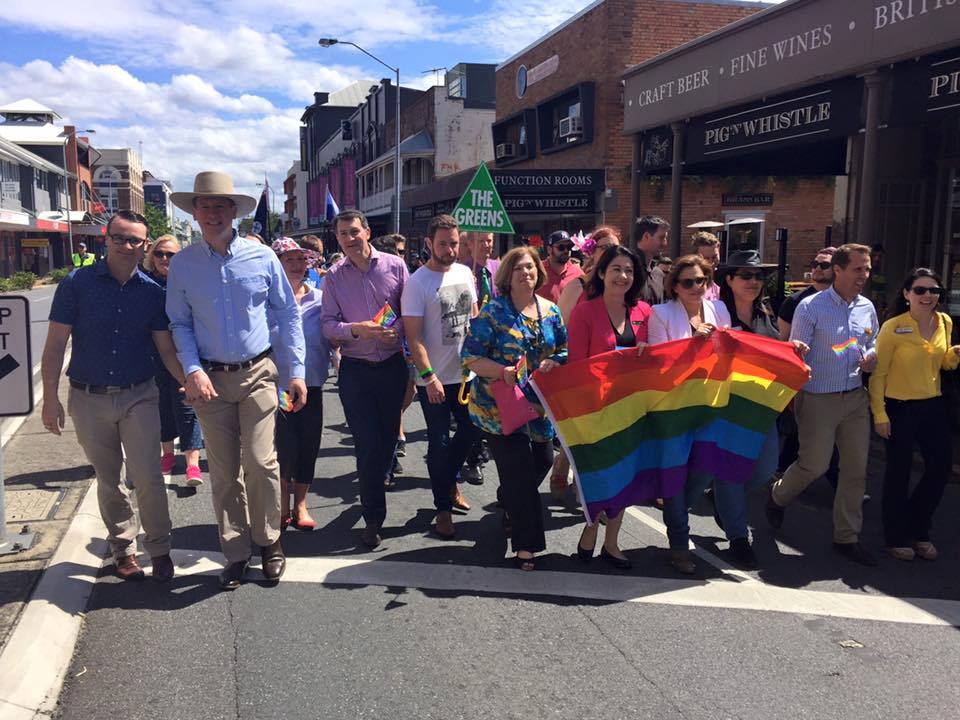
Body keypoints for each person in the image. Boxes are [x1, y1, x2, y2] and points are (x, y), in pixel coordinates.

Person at [167, 171, 306, 590]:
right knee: (225, 471)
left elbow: (288, 313)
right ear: (195, 212)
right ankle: (234, 550)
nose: (212, 213)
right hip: (209, 378)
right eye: (205, 206)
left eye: (220, 206)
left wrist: (296, 371)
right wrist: (192, 370)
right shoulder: (183, 264)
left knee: (262, 462)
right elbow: (179, 323)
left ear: (234, 212)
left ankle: (269, 542)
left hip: (259, 373)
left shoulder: (262, 258)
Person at [41, 210, 183, 582]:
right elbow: (56, 345)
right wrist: (50, 400)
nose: (126, 245)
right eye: (119, 237)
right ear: (107, 239)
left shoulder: (153, 294)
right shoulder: (77, 283)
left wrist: (188, 382)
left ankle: (160, 548)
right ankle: (124, 549)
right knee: (108, 479)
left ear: (144, 246)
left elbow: (166, 350)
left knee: (149, 476)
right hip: (88, 397)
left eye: (134, 240)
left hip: (140, 394)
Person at [766, 244, 879, 566]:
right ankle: (777, 496)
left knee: (855, 470)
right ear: (838, 270)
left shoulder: (867, 307)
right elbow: (795, 353)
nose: (864, 276)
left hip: (855, 397)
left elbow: (871, 341)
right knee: (813, 465)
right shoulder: (811, 307)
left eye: (867, 269)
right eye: (858, 269)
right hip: (817, 396)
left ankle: (846, 537)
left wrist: (872, 355)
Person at [462, 247, 567, 571]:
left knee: (542, 461)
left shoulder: (550, 311)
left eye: (531, 267)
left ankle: (508, 500)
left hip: (538, 406)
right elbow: (470, 357)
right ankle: (526, 546)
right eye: (520, 268)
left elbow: (564, 347)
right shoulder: (494, 313)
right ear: (508, 274)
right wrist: (501, 371)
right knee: (521, 477)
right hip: (499, 409)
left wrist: (555, 360)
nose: (526, 273)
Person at [321, 209, 409, 549]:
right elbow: (328, 325)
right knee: (366, 444)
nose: (349, 239)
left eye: (354, 232)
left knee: (386, 442)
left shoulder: (396, 266)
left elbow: (409, 313)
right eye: (343, 234)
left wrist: (396, 331)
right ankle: (374, 518)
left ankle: (376, 480)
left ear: (367, 232)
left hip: (391, 365)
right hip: (355, 370)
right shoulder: (333, 277)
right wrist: (355, 330)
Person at [567, 245, 651, 570]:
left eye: (629, 270)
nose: (623, 276)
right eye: (616, 268)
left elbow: (656, 360)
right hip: (596, 409)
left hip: (631, 409)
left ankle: (612, 543)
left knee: (626, 477)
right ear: (602, 273)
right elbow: (576, 365)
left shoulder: (644, 312)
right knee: (600, 476)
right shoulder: (584, 312)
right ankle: (590, 528)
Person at [647, 254, 732, 574]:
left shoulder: (719, 310)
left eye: (701, 280)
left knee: (704, 470)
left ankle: (676, 506)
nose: (696, 287)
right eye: (688, 282)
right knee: (673, 476)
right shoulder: (661, 314)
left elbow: (731, 352)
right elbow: (660, 365)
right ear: (675, 287)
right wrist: (693, 346)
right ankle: (679, 544)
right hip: (674, 409)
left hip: (710, 405)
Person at [869, 268, 960, 561]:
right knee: (899, 472)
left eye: (934, 291)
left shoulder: (944, 322)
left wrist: (953, 355)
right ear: (907, 294)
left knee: (940, 467)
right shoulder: (893, 327)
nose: (928, 296)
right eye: (920, 290)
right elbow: (878, 375)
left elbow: (943, 365)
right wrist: (880, 414)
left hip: (932, 406)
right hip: (898, 407)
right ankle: (895, 536)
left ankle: (919, 527)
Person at [715, 250, 795, 567]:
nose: (754, 281)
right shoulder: (718, 313)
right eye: (746, 275)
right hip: (728, 408)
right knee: (730, 473)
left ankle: (724, 498)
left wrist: (792, 350)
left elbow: (774, 352)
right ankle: (737, 537)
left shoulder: (765, 313)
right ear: (729, 280)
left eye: (759, 276)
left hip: (763, 407)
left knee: (763, 470)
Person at [401, 215, 479, 538]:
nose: (450, 249)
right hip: (433, 380)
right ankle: (442, 509)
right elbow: (413, 337)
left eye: (455, 243)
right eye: (443, 243)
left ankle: (448, 484)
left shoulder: (465, 273)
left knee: (472, 432)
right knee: (439, 442)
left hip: (466, 377)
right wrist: (429, 377)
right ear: (429, 243)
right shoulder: (417, 283)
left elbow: (473, 320)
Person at [552, 225, 622, 500]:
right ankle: (566, 464)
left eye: (615, 247)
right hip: (578, 371)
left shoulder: (619, 289)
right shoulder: (576, 286)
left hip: (610, 375)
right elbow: (558, 332)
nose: (611, 252)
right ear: (591, 252)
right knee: (582, 432)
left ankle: (593, 492)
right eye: (604, 247)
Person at [271, 238, 330, 532]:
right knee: (284, 445)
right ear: (277, 264)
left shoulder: (320, 299)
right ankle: (282, 503)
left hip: (313, 384)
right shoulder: (267, 301)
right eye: (289, 259)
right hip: (279, 387)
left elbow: (332, 335)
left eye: (301, 259)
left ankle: (301, 505)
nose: (297, 265)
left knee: (308, 444)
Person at [143, 234, 205, 486]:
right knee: (162, 407)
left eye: (171, 254)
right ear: (152, 257)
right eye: (160, 254)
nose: (165, 259)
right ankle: (167, 454)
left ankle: (192, 464)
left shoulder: (189, 282)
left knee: (188, 405)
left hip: (184, 352)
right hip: (153, 355)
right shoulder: (144, 284)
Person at [777, 247, 840, 483]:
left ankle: (782, 469)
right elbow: (783, 343)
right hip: (804, 382)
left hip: (836, 381)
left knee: (809, 434)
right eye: (814, 263)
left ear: (837, 270)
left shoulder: (847, 301)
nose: (816, 268)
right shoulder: (795, 302)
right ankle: (836, 482)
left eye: (823, 265)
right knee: (810, 433)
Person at [537, 230, 583, 303]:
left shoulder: (578, 273)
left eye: (568, 247)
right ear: (549, 250)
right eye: (561, 247)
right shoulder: (538, 271)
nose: (566, 251)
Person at [636, 216, 670, 305]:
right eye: (662, 238)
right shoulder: (629, 270)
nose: (665, 243)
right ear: (646, 236)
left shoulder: (658, 274)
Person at [692, 231, 721, 301]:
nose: (711, 262)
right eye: (706, 258)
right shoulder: (691, 281)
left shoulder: (724, 277)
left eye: (714, 257)